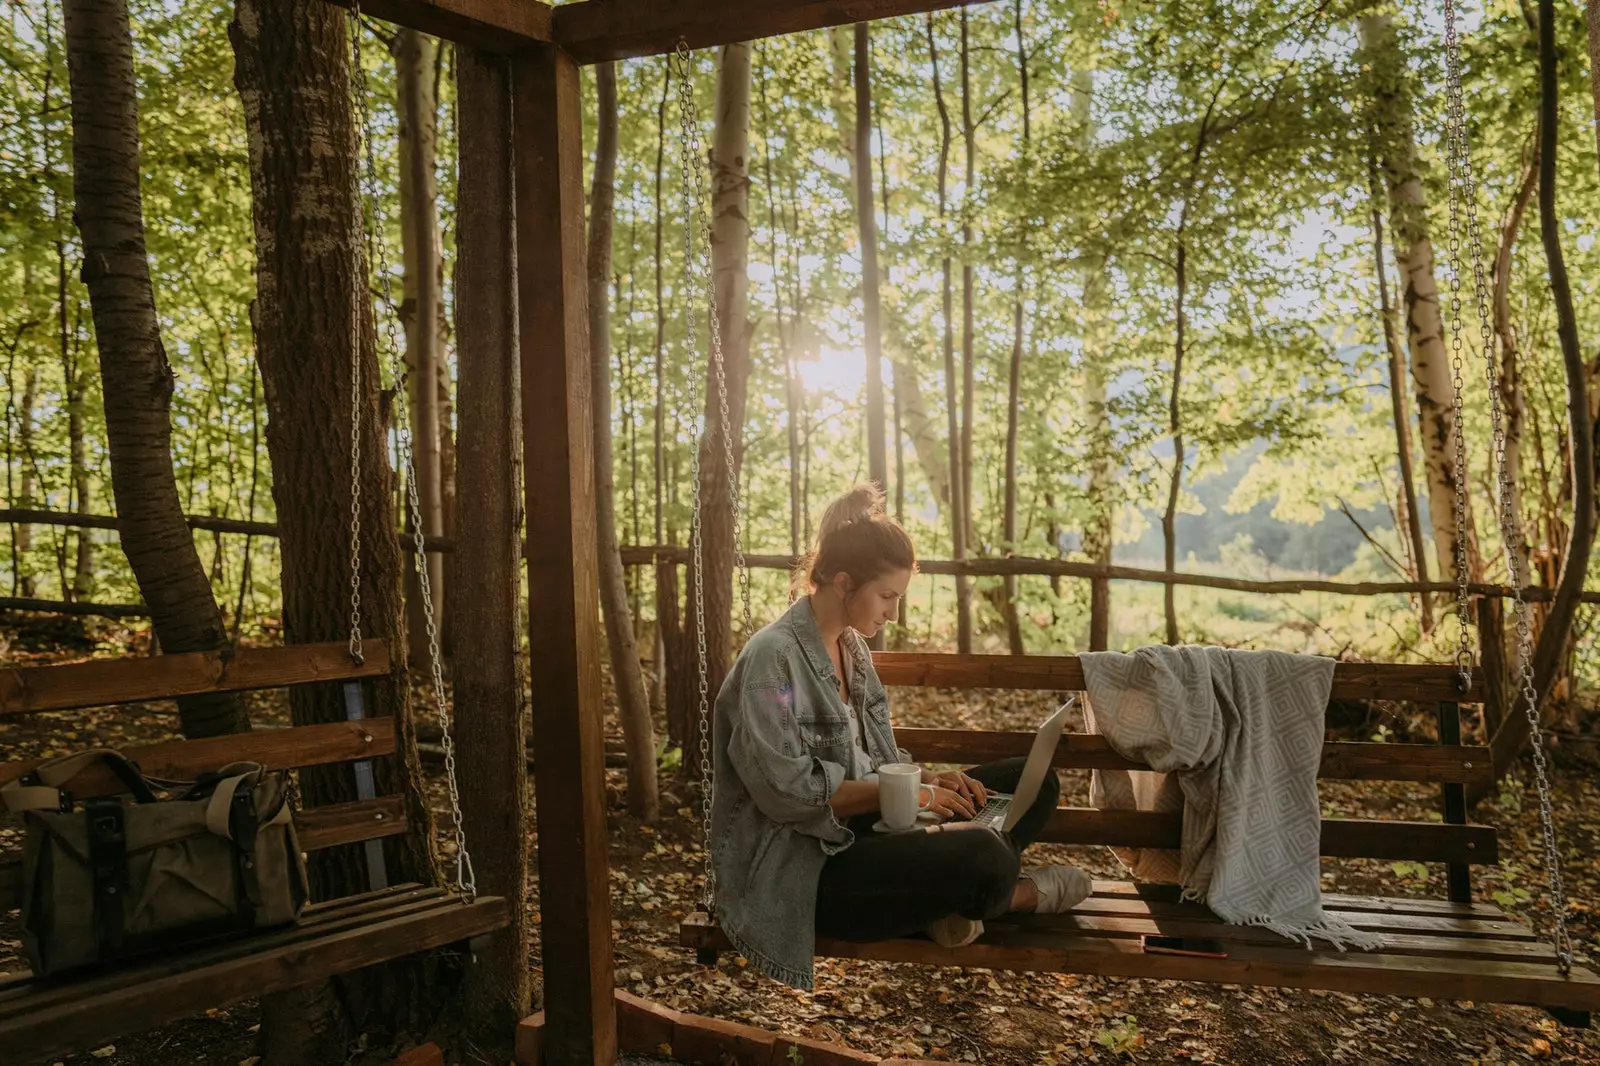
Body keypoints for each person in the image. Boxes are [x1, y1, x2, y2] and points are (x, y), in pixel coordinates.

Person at [708, 483, 1092, 991]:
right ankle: (1012, 894)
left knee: (1031, 782)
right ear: (844, 582)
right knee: (986, 855)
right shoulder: (771, 660)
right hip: (808, 870)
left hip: (874, 833)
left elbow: (879, 755)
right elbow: (787, 794)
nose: (893, 613)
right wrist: (915, 795)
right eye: (887, 597)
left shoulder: (853, 650)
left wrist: (932, 779)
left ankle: (946, 901)